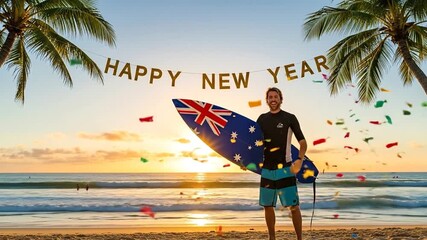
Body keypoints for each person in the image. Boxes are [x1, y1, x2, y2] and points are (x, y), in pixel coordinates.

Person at [256, 87, 307, 240]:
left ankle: (299, 238)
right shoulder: (261, 119)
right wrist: (248, 162)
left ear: (280, 99)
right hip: (267, 169)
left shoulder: (289, 118)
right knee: (267, 206)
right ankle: (272, 237)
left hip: (285, 167)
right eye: (270, 97)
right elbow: (256, 144)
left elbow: (303, 142)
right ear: (267, 100)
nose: (273, 99)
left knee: (294, 206)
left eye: (275, 96)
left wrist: (299, 159)